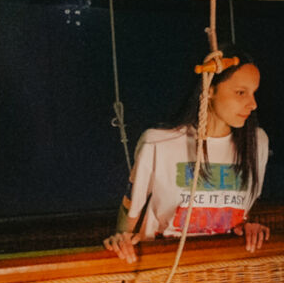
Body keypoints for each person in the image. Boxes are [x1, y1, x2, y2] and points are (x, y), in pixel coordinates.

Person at [108, 56, 270, 263]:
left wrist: (247, 226)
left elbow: (242, 207)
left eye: (254, 93)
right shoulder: (158, 142)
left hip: (224, 264)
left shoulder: (257, 142)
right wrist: (122, 239)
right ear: (209, 90)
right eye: (241, 93)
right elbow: (131, 205)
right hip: (166, 263)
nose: (253, 104)